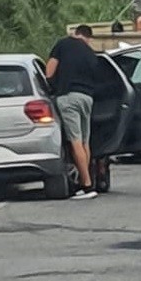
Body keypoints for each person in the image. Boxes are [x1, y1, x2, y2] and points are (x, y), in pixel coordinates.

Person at [46, 25, 99, 200]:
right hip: (87, 98)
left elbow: (49, 71)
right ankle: (88, 181)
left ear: (75, 33)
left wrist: (53, 86)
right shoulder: (91, 54)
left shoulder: (63, 44)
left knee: (75, 141)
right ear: (88, 38)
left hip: (68, 97)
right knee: (85, 142)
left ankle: (86, 185)